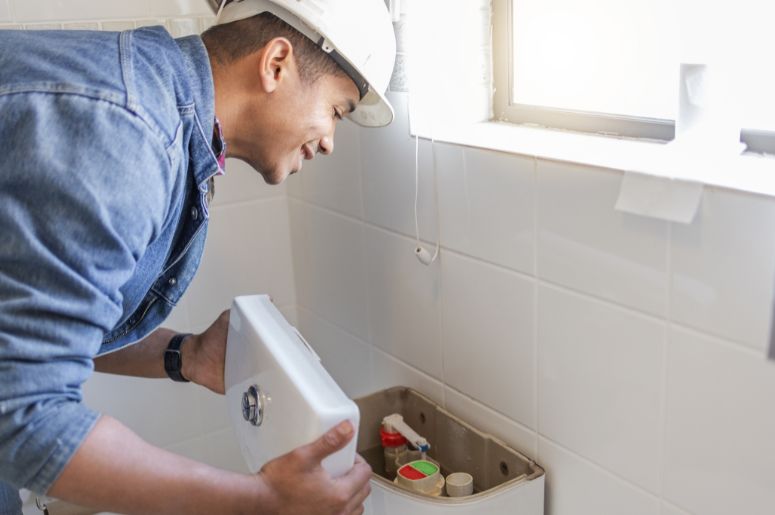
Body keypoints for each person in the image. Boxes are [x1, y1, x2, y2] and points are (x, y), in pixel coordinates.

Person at [0, 0, 396, 513]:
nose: (329, 143)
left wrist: (185, 356)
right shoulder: (129, 134)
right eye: (337, 111)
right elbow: (22, 414)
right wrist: (262, 501)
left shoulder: (153, 101)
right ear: (276, 63)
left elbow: (29, 328)